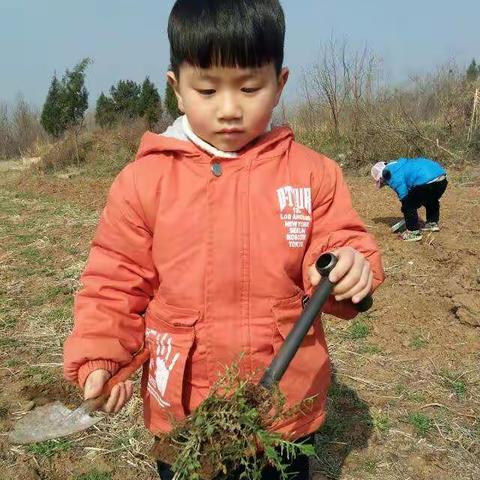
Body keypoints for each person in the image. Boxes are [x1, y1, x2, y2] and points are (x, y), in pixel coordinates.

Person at [63, 1, 384, 478]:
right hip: (186, 413)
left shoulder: (312, 174)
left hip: (284, 411)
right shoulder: (143, 182)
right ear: (176, 88)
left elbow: (337, 240)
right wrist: (101, 357)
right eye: (208, 89)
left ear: (280, 84)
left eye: (251, 87)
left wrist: (347, 264)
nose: (230, 109)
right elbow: (115, 280)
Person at [371, 157, 448, 242]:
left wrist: (407, 210)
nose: (385, 184)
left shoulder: (390, 173)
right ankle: (432, 223)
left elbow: (403, 194)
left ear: (382, 176)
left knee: (408, 205)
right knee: (431, 200)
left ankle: (413, 232)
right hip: (442, 179)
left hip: (425, 182)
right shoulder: (400, 164)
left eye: (383, 182)